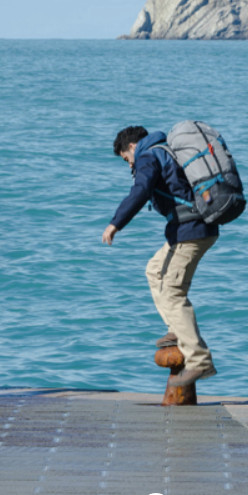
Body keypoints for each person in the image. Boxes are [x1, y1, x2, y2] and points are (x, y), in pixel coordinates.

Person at [102, 126, 219, 387]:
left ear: (131, 147)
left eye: (125, 159)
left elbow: (141, 190)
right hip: (190, 228)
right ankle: (175, 328)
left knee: (173, 292)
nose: (129, 164)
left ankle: (199, 360)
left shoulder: (147, 156)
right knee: (155, 269)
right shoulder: (167, 150)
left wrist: (115, 223)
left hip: (191, 231)